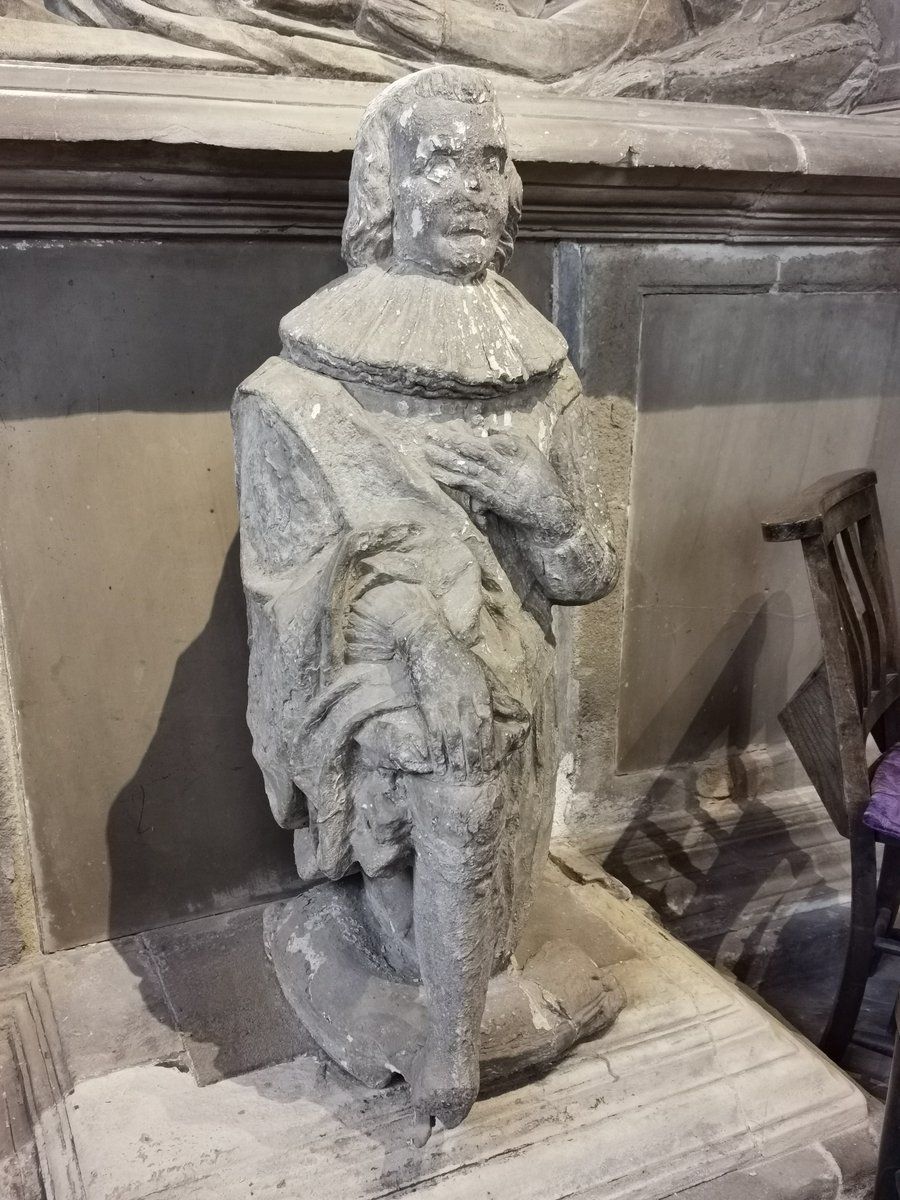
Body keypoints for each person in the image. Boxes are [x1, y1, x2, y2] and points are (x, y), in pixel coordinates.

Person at [232, 65, 618, 1140]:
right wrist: (420, 640)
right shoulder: (309, 383)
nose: (472, 185)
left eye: (491, 161)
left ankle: (448, 972)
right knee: (453, 759)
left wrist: (543, 508)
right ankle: (440, 1034)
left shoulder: (542, 375)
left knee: (486, 810)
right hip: (367, 668)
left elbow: (587, 574)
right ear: (388, 186)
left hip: (514, 674)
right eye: (442, 158)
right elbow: (298, 575)